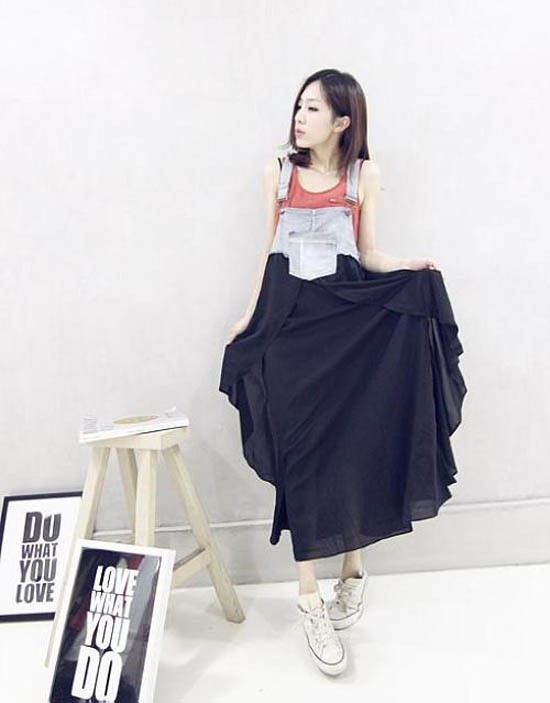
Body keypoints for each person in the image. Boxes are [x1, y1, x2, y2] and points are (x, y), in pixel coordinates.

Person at [219, 68, 467, 676]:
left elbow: (368, 253)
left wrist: (410, 268)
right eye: (298, 106)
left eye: (313, 108)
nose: (299, 118)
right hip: (289, 325)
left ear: (342, 121)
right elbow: (268, 251)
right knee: (301, 454)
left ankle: (353, 569)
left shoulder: (363, 176)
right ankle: (309, 598)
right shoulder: (278, 173)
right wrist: (249, 316)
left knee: (348, 447)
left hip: (346, 323)